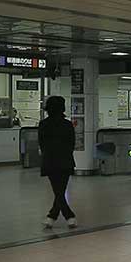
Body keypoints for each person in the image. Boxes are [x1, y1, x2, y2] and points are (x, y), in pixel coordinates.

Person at [38, 96, 77, 228]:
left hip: (50, 161)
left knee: (58, 191)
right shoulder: (67, 124)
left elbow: (42, 144)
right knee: (60, 190)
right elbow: (72, 144)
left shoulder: (43, 124)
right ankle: (64, 216)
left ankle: (59, 216)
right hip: (66, 160)